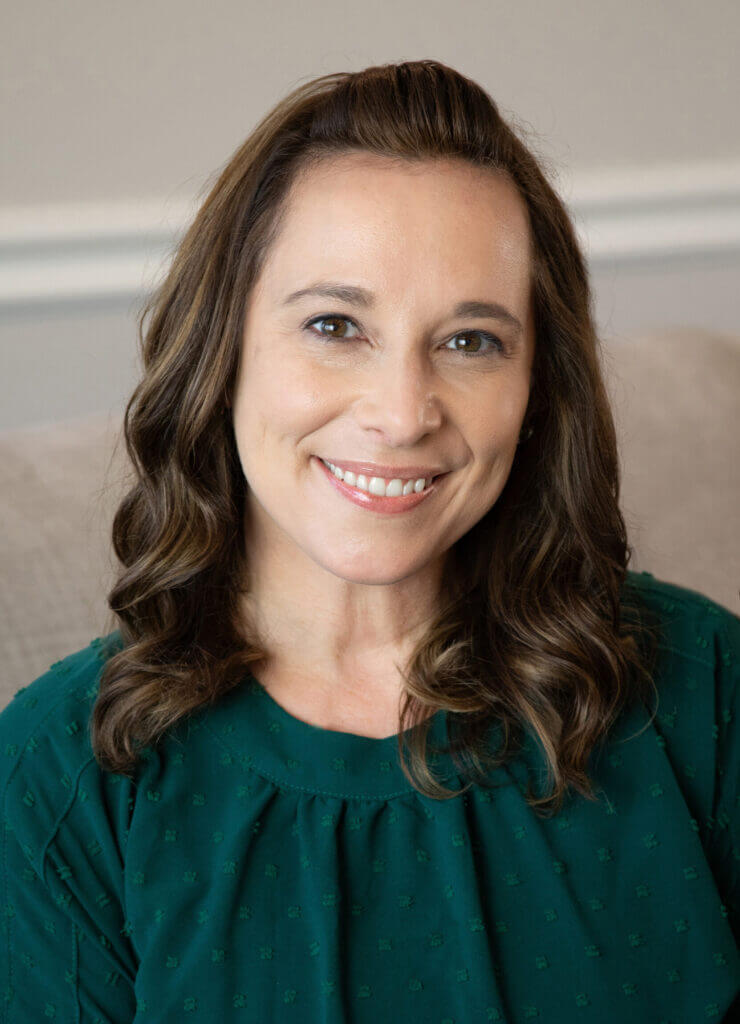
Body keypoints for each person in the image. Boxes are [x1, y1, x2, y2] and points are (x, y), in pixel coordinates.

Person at [1, 59, 738, 1023]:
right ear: (221, 352)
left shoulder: (703, 685)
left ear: (536, 390)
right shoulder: (61, 780)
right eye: (335, 324)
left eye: (470, 340)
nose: (401, 413)